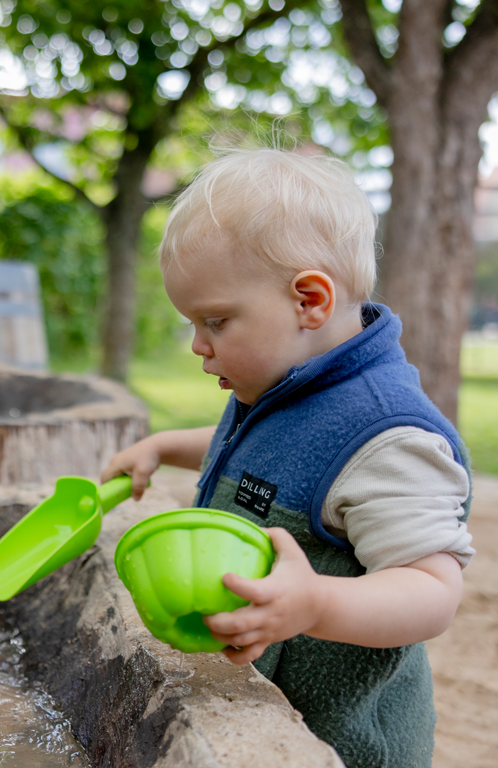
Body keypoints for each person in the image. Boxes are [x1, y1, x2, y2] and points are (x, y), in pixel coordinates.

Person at [101, 148, 473, 768]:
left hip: (340, 744)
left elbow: (434, 590)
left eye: (214, 320)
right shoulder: (291, 384)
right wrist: (164, 447)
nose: (197, 345)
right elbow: (260, 462)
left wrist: (316, 604)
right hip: (260, 711)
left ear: (309, 301)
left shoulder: (386, 436)